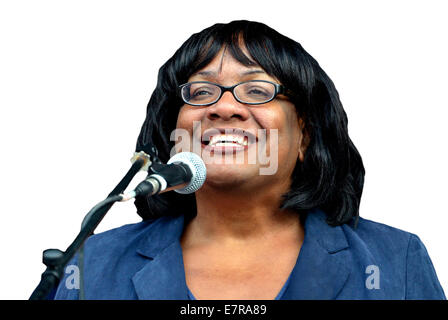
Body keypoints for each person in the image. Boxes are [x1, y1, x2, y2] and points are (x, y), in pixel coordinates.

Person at [54, 20, 445, 300]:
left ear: (305, 136)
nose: (224, 108)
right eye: (202, 91)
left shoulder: (396, 262)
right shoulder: (93, 264)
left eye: (256, 90)